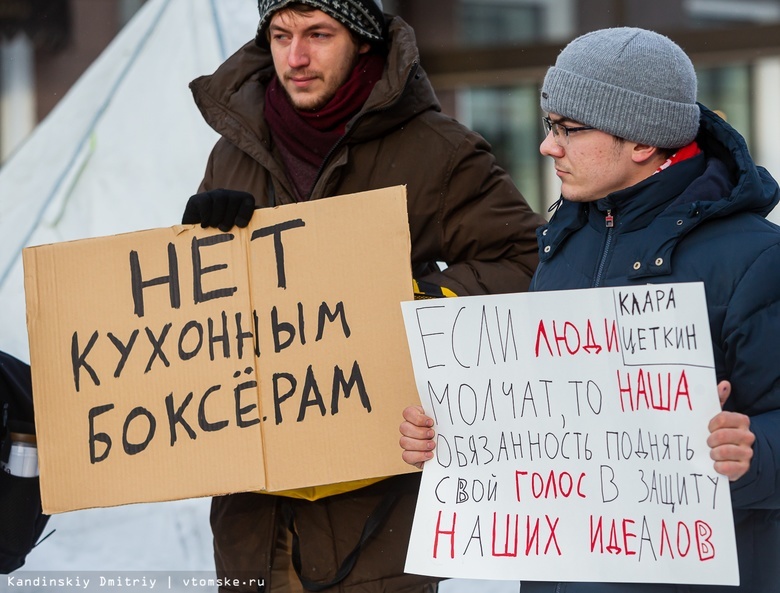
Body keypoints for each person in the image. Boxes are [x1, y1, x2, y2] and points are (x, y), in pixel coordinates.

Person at [400, 27, 780, 593]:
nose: (547, 146)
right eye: (551, 124)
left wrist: (751, 452)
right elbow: (545, 421)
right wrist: (449, 435)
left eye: (569, 130)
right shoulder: (563, 243)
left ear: (642, 143)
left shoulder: (755, 258)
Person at [181, 1, 545, 591]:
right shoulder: (232, 152)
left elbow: (528, 263)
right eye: (280, 35)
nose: (295, 58)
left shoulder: (438, 150)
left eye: (318, 35)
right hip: (255, 530)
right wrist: (202, 241)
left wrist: (409, 302)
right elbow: (204, 319)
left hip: (377, 525)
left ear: (362, 40)